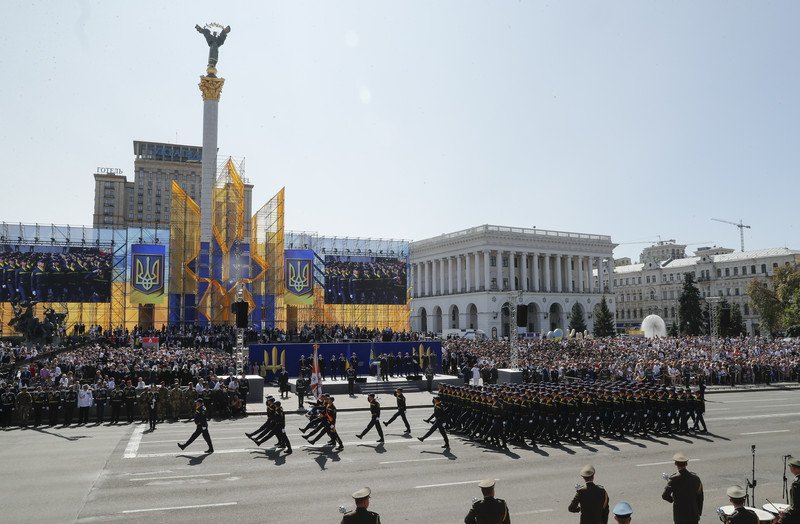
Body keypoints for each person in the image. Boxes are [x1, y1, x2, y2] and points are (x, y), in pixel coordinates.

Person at [661, 452, 703, 524]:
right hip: (693, 514)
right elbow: (700, 497)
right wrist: (698, 512)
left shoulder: (673, 479)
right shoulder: (696, 478)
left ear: (675, 464)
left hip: (680, 515)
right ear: (686, 464)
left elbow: (664, 496)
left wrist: (674, 500)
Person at [776, 456, 800, 523]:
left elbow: (795, 507)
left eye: (790, 467)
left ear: (795, 468)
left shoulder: (796, 484)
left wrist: (785, 514)